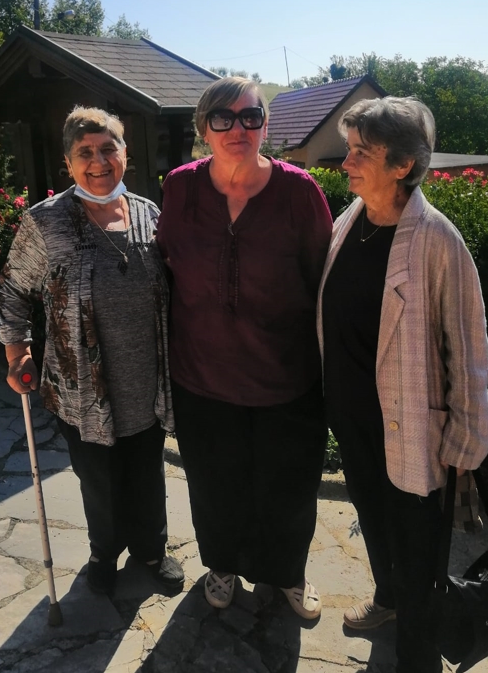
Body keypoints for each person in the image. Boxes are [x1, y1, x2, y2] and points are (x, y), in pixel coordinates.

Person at [318, 96, 488, 673]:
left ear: (403, 165)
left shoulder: (437, 239)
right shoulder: (351, 220)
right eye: (349, 149)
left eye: (361, 152)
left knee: (418, 546)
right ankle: (388, 600)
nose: (346, 162)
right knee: (373, 519)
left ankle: (418, 657)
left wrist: (467, 438)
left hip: (413, 425)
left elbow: (469, 349)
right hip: (354, 417)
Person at [157, 77, 333, 617]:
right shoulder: (181, 188)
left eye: (251, 117)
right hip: (203, 377)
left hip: (286, 377)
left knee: (289, 488)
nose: (239, 129)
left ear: (265, 125)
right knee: (214, 485)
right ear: (204, 128)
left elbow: (322, 279)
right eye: (224, 118)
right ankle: (222, 564)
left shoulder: (299, 192)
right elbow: (166, 264)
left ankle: (287, 574)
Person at [0, 106, 184, 596]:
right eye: (85, 152)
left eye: (108, 149)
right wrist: (17, 353)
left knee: (146, 472)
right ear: (68, 162)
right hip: (81, 386)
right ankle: (104, 552)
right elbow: (14, 289)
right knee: (97, 479)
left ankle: (151, 550)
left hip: (145, 380)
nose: (98, 162)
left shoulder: (149, 213)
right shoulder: (46, 221)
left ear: (125, 154)